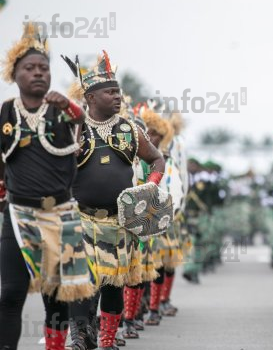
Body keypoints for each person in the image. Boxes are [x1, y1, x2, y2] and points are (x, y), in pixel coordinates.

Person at [0, 22, 92, 350]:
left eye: (44, 68)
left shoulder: (62, 110)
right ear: (15, 74)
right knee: (10, 292)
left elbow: (81, 119)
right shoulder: (7, 111)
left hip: (59, 216)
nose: (38, 73)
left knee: (56, 295)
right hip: (18, 214)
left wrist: (68, 105)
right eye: (30, 68)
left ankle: (57, 346)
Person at [66, 50, 165, 350]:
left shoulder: (131, 131)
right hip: (81, 220)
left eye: (119, 92)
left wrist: (149, 188)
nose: (118, 97)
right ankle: (80, 336)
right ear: (91, 98)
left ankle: (107, 338)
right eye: (110, 93)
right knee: (82, 285)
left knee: (113, 286)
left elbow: (158, 160)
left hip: (118, 222)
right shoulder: (73, 130)